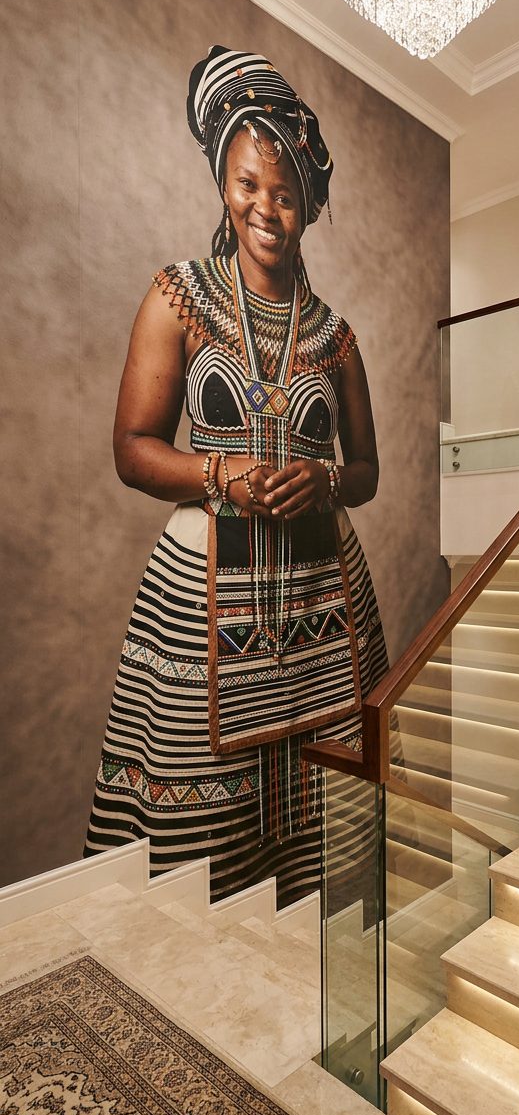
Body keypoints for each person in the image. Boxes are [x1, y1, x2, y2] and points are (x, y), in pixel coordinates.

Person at [84, 47, 388, 908]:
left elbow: (365, 472)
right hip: (204, 587)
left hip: (326, 597)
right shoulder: (177, 296)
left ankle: (316, 972)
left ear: (307, 207)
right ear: (224, 180)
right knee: (193, 837)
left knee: (331, 805)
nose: (266, 208)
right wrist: (225, 476)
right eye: (250, 185)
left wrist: (325, 486)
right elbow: (133, 448)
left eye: (286, 194)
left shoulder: (336, 335)